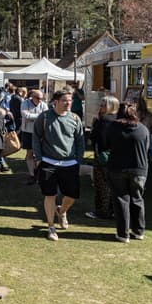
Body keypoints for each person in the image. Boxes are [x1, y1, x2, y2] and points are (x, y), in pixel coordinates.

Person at [33, 88, 85, 241]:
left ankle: (62, 211)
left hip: (70, 163)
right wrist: (38, 158)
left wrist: (79, 159)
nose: (68, 103)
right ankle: (51, 226)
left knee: (72, 195)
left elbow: (80, 140)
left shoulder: (75, 119)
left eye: (70, 100)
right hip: (48, 162)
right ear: (56, 102)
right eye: (65, 100)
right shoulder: (44, 117)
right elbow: (36, 137)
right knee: (50, 194)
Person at [106, 102, 150, 243]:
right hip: (139, 169)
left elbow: (106, 144)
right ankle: (138, 231)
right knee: (137, 199)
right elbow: (147, 147)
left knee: (121, 199)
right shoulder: (143, 129)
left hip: (117, 168)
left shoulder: (113, 127)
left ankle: (123, 234)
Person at [87, 96, 119, 220]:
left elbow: (95, 138)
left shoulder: (104, 120)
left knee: (102, 185)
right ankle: (112, 210)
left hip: (102, 157)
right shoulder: (119, 120)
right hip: (115, 157)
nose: (101, 107)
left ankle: (102, 212)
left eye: (103, 105)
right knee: (113, 186)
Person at [21, 89, 48, 185]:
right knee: (30, 153)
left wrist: (34, 116)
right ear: (32, 96)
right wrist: (40, 116)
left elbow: (46, 116)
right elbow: (25, 115)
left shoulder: (43, 104)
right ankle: (32, 174)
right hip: (28, 132)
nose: (40, 100)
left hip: (40, 132)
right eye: (38, 98)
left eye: (41, 98)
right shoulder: (25, 103)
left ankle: (38, 172)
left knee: (40, 153)